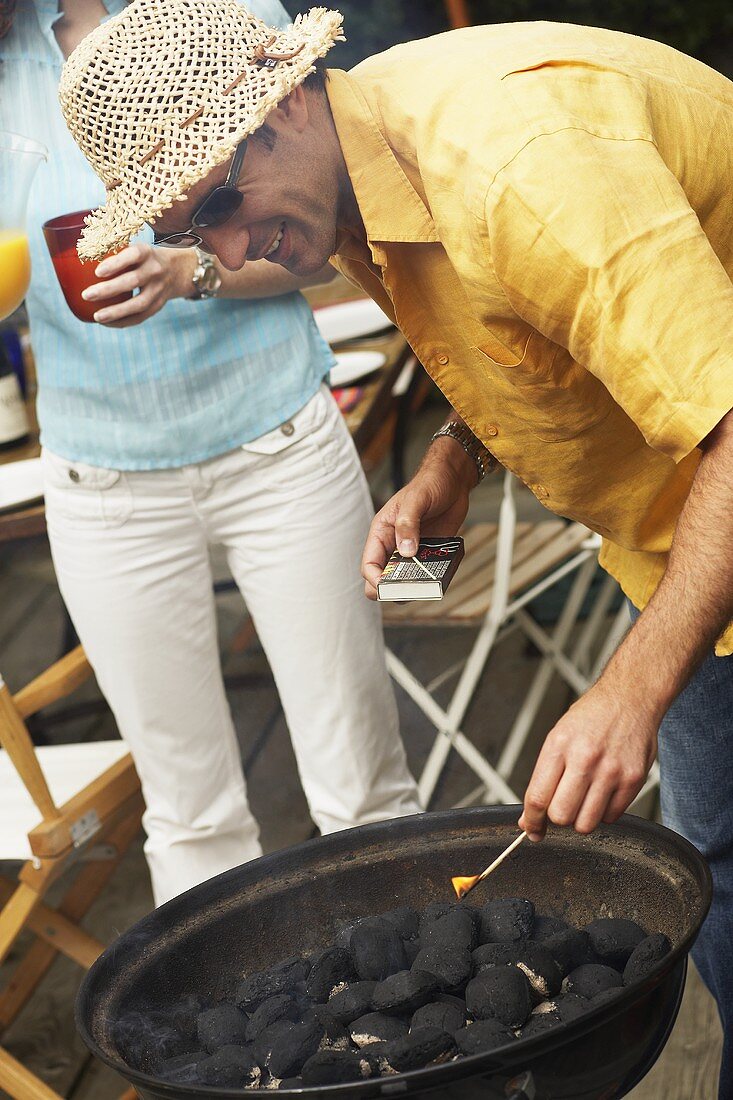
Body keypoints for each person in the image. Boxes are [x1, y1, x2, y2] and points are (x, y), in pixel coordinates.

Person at [57, 1, 733, 1087]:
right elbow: (518, 314)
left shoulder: (516, 163)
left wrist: (629, 685)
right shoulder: (358, 173)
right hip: (686, 544)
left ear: (278, 104)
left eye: (225, 200)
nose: (229, 253)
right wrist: (452, 461)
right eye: (191, 234)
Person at [0, 0, 421, 909]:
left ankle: (421, 1012)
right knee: (188, 814)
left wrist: (197, 272)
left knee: (361, 782)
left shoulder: (205, 21)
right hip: (102, 484)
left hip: (279, 446)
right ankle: (238, 1041)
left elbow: (328, 239)